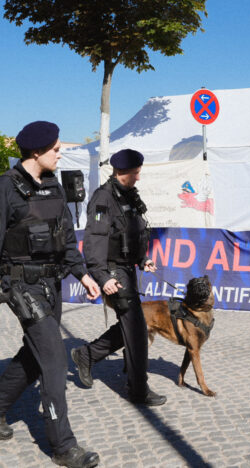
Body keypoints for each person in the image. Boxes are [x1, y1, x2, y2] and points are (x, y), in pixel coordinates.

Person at [0, 121, 102, 468]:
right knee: (54, 360)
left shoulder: (54, 185)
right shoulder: (3, 190)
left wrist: (82, 274)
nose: (60, 153)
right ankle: (63, 446)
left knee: (35, 354)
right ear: (36, 152)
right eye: (55, 149)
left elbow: (65, 238)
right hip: (21, 286)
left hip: (52, 285)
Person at [71, 149, 166, 407]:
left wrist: (142, 258)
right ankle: (138, 390)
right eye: (136, 173)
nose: (138, 178)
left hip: (127, 269)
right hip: (113, 272)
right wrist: (102, 277)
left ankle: (87, 355)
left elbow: (129, 235)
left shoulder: (128, 196)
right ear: (123, 172)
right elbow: (95, 242)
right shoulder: (103, 199)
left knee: (132, 326)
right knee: (136, 330)